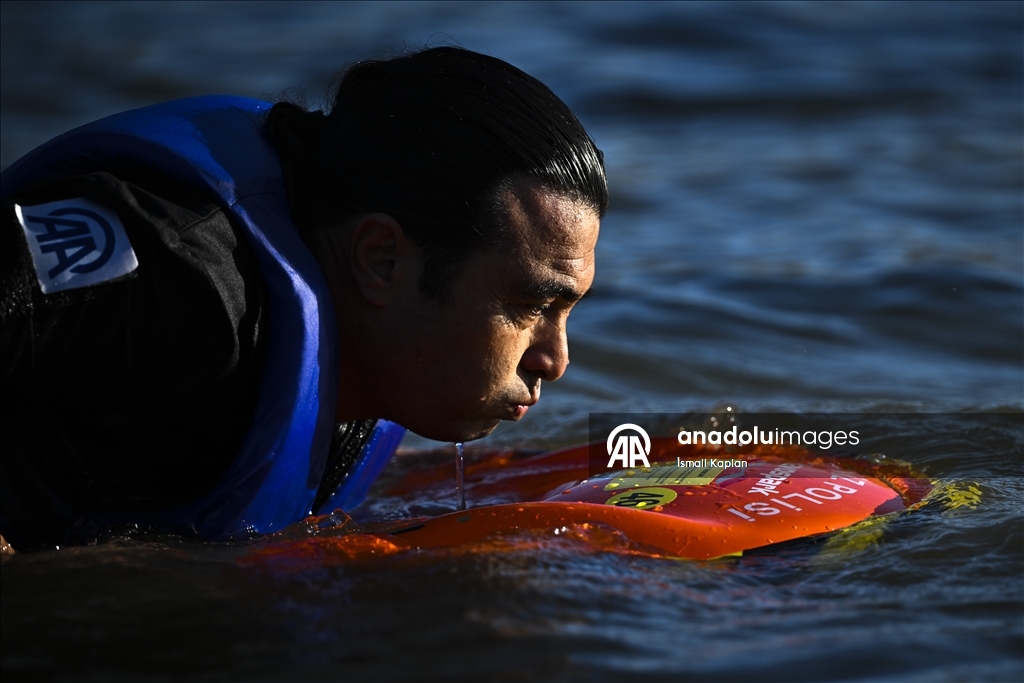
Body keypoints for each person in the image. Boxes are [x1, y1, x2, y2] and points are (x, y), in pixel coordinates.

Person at [0, 47, 607, 552]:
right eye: (531, 305)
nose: (555, 360)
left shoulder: (374, 357)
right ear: (382, 260)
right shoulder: (176, 278)